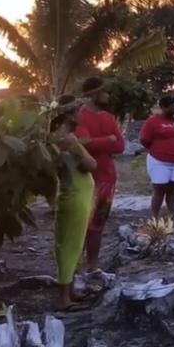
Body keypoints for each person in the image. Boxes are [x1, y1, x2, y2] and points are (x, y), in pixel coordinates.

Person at [51, 94, 97, 310]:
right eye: (78, 112)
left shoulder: (62, 136)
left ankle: (69, 292)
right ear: (69, 114)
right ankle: (63, 298)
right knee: (70, 245)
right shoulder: (67, 139)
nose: (81, 115)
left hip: (75, 195)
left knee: (71, 243)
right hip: (75, 196)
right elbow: (90, 164)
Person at [75, 77, 124, 276]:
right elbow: (84, 142)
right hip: (86, 178)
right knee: (80, 223)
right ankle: (74, 267)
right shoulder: (80, 116)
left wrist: (105, 141)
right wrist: (108, 140)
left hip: (107, 179)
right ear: (94, 94)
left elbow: (120, 145)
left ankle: (92, 265)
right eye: (104, 92)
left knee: (97, 224)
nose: (108, 96)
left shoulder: (109, 117)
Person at [140, 95, 174, 220]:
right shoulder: (152, 121)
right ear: (162, 107)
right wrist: (157, 148)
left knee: (173, 190)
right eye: (171, 108)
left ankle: (173, 214)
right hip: (159, 161)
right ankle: (154, 216)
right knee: (159, 189)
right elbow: (144, 140)